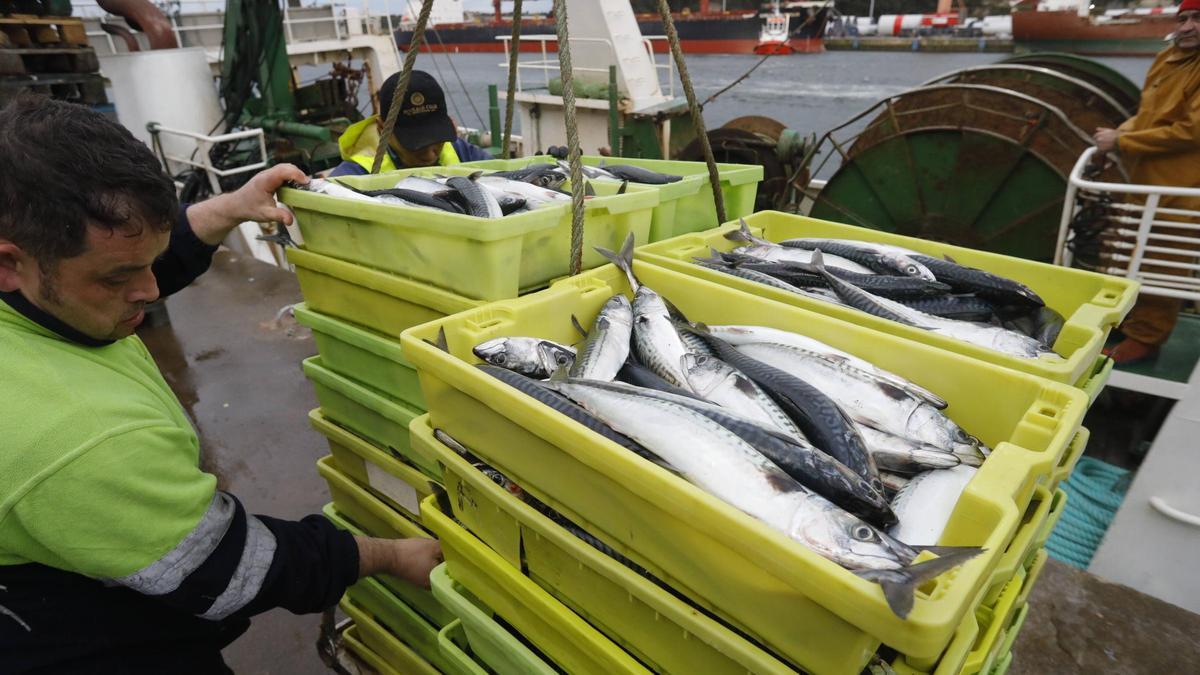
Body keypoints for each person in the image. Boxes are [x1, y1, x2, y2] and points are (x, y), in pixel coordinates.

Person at [0, 94, 442, 673]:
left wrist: (230, 207)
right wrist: (387, 554)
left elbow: (132, 265)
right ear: (10, 264)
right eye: (118, 278)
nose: (151, 292)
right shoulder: (81, 440)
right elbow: (229, 567)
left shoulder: (43, 287)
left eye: (149, 262)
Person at [1093, 0, 1200, 365]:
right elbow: (1147, 115)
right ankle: (1131, 320)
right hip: (1145, 179)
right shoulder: (1168, 59)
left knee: (1164, 259)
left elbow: (1192, 130)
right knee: (1132, 251)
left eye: (1198, 18)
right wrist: (1114, 137)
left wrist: (1121, 143)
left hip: (1183, 185)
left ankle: (1147, 338)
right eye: (1183, 18)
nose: (1187, 27)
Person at [330, 70, 491, 177]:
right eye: (415, 144)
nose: (429, 155)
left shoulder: (462, 152)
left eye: (436, 138)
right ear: (382, 128)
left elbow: (503, 176)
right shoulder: (355, 174)